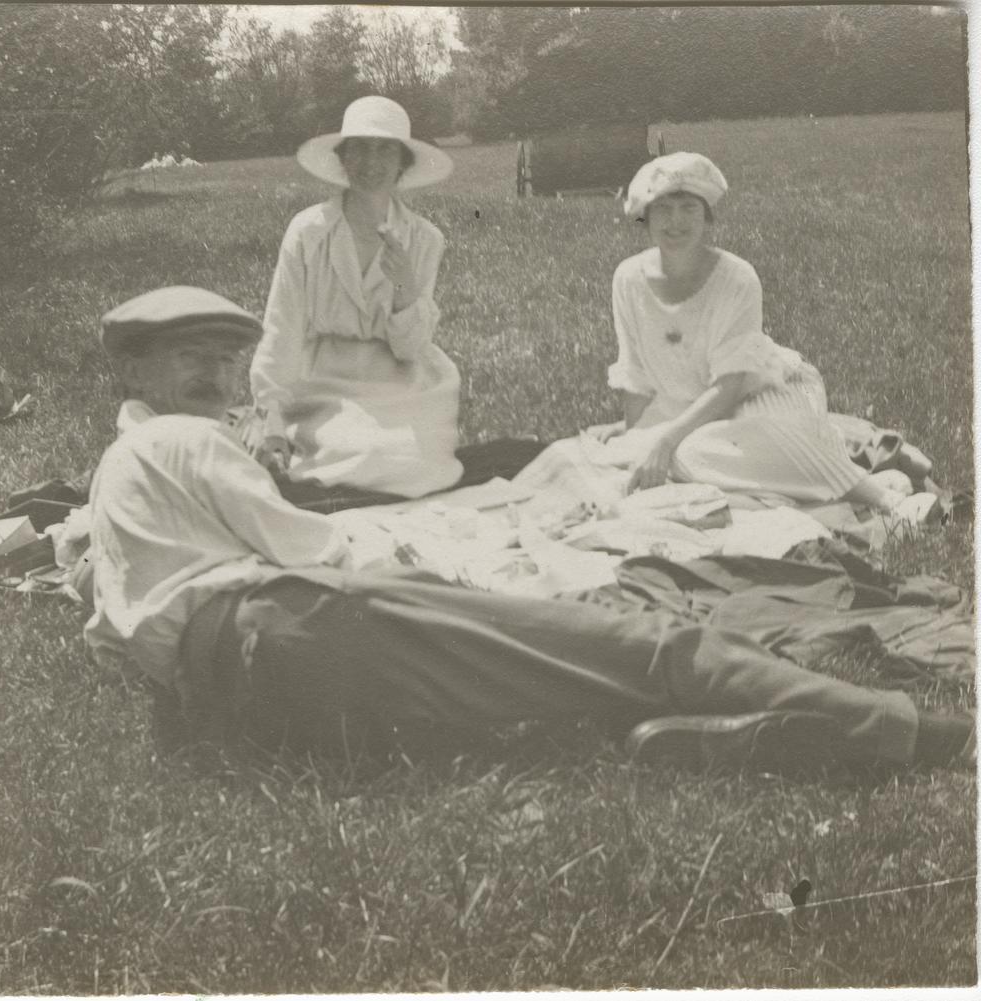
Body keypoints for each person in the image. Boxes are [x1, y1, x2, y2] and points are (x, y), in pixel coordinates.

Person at [86, 286, 974, 774]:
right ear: (134, 368)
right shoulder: (187, 440)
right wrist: (452, 576)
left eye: (222, 356)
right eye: (186, 355)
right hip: (298, 632)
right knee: (643, 639)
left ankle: (734, 738)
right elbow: (319, 550)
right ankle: (905, 729)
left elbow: (115, 626)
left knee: (533, 690)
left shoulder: (120, 469)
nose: (212, 373)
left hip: (245, 707)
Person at [589, 152, 904, 510]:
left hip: (767, 390)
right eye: (663, 209)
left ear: (707, 216)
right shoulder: (628, 279)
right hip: (693, 407)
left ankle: (884, 499)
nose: (675, 222)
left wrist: (662, 443)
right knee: (655, 456)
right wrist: (637, 435)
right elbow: (636, 374)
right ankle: (827, 479)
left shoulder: (738, 278)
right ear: (645, 218)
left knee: (690, 453)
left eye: (688, 209)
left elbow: (730, 386)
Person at [249, 95, 462, 499]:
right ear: (343, 159)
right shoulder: (309, 232)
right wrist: (271, 410)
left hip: (400, 378)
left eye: (385, 150)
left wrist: (403, 289)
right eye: (359, 149)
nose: (371, 163)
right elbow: (283, 325)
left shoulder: (424, 238)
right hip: (325, 376)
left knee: (411, 460)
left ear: (403, 162)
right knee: (363, 456)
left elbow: (411, 348)